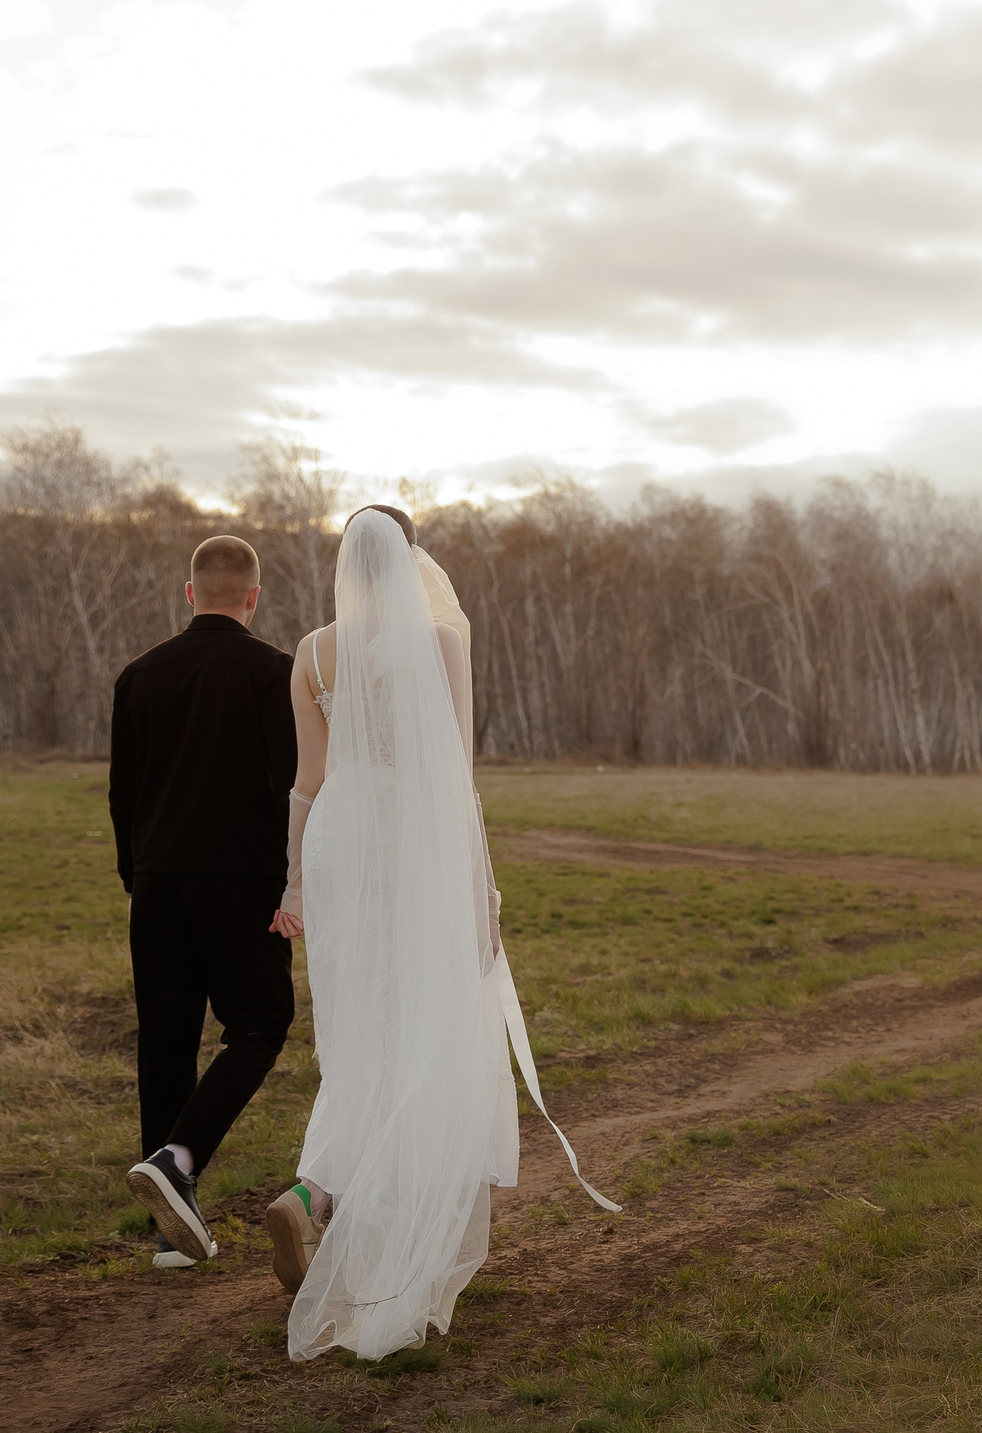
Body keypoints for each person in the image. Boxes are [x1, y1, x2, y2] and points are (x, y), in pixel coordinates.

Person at [265, 507, 614, 1361]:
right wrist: (479, 891)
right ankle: (386, 1224)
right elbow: (455, 779)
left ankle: (314, 1193)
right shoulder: (444, 644)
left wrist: (295, 878)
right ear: (412, 555)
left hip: (341, 837)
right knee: (425, 1026)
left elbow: (307, 782)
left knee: (356, 1037)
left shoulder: (311, 653)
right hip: (414, 836)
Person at [109, 535, 298, 1268]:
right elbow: (290, 787)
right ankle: (179, 1159)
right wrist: (291, 883)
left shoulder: (138, 676)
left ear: (190, 594)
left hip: (156, 882)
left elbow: (124, 795)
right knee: (260, 1024)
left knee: (166, 1041)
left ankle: (171, 1236)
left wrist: (138, 877)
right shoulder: (272, 673)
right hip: (241, 882)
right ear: (254, 597)